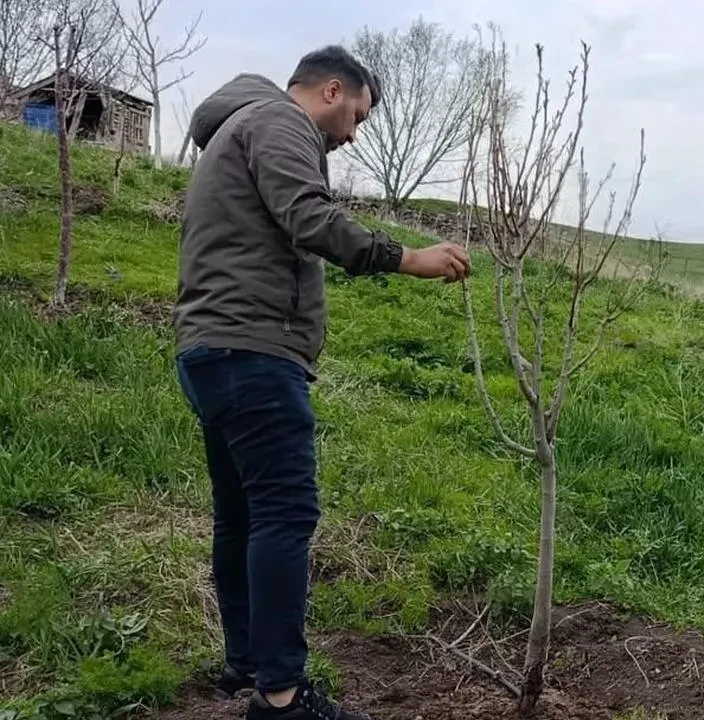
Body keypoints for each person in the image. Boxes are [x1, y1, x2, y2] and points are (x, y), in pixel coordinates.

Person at [173, 45, 469, 720]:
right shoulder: (279, 123)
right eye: (357, 115)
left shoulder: (237, 127)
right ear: (332, 90)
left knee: (242, 516)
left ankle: (248, 666)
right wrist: (406, 257)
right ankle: (281, 698)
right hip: (254, 353)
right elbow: (309, 216)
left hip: (212, 349)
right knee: (284, 513)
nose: (353, 134)